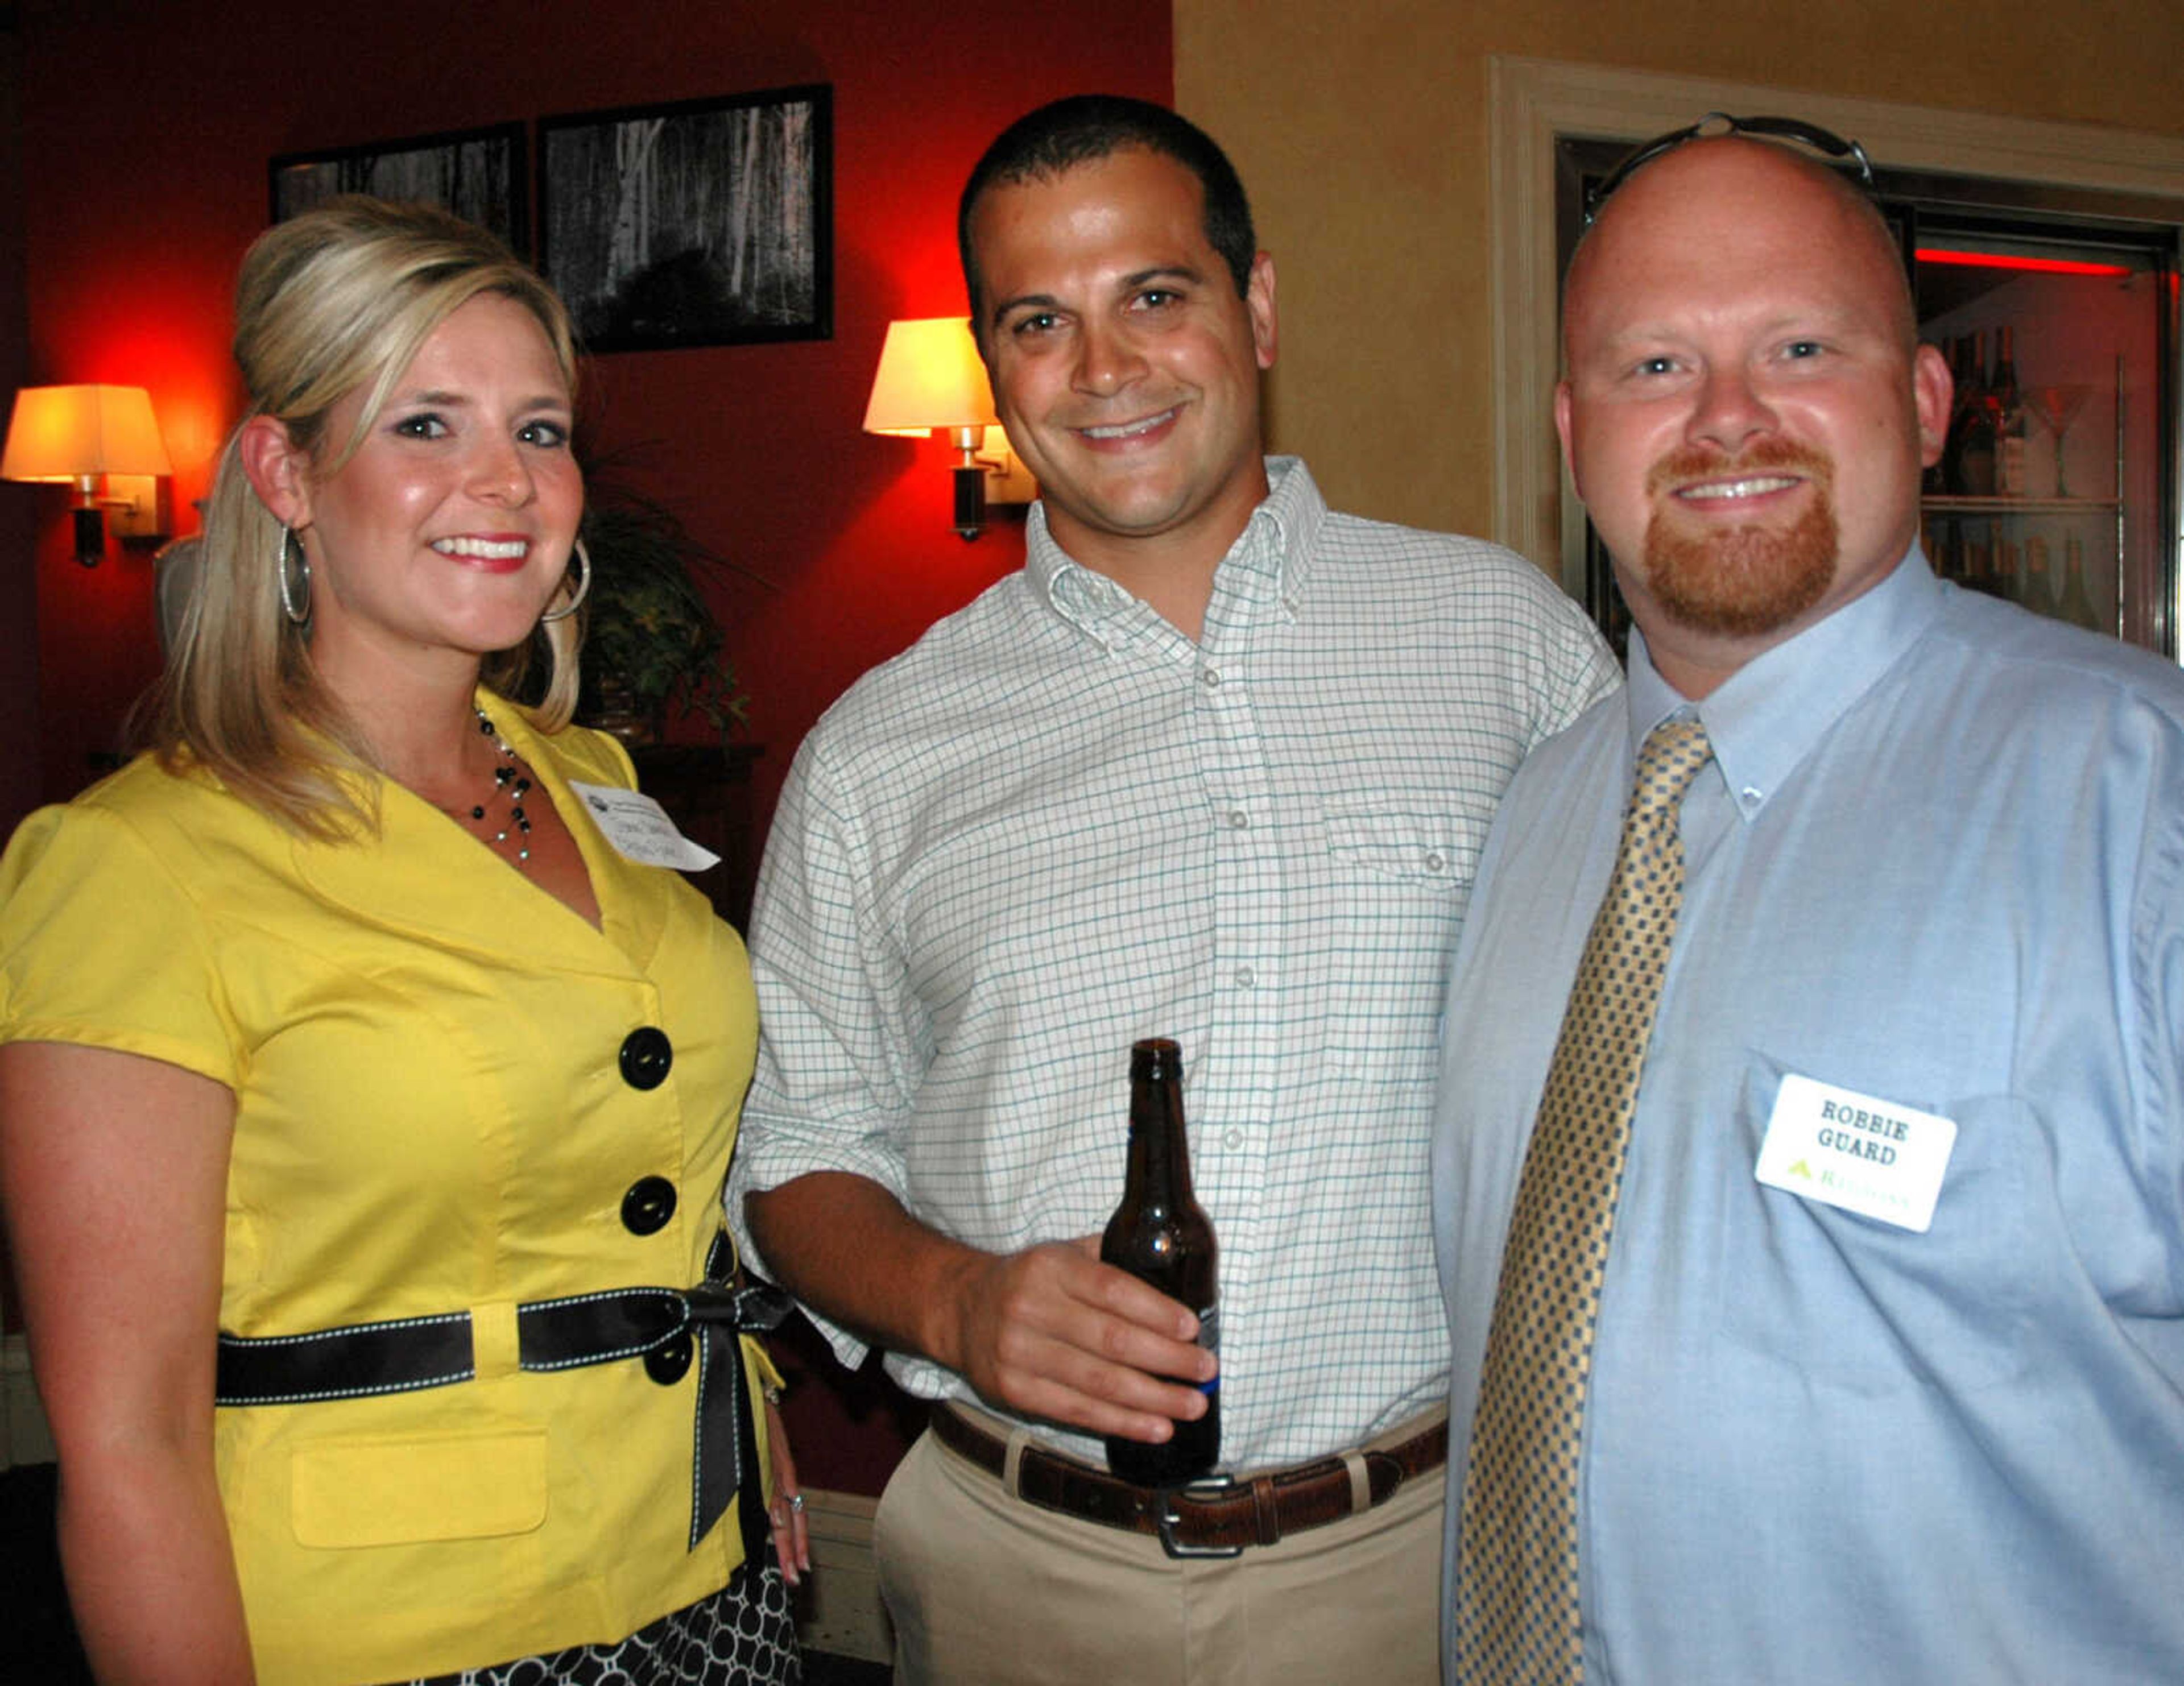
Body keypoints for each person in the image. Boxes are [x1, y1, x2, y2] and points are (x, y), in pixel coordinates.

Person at [729, 95, 1619, 1684]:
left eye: (1155, 295)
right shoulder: (881, 748)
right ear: (996, 369)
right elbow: (795, 1160)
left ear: (1255, 306)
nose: (1105, 368)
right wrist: (954, 1298)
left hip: (1414, 1564)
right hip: (1020, 1578)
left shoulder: (1509, 651)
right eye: (1039, 322)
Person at [0, 198, 808, 1686]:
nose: (505, 480)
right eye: (424, 424)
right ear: (283, 471)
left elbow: (651, 1175)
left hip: (705, 1569)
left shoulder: (598, 787)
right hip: (397, 1632)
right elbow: (129, 1442)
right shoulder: (131, 869)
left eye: (542, 430)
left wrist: (734, 1405)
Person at [1432, 120, 2184, 1683]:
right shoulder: (1532, 814)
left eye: (1796, 344)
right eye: (1654, 367)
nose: (1726, 417)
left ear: (1922, 404)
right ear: (1573, 433)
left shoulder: (2141, 805)